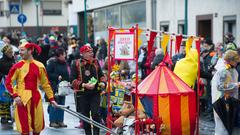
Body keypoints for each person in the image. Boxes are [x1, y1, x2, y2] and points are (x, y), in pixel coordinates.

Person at [5, 42, 58, 135]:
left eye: (22, 50)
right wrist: (15, 96)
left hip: (36, 99)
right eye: (19, 50)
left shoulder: (40, 66)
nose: (20, 52)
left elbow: (46, 84)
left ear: (30, 51)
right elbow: (8, 82)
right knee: (24, 128)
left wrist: (51, 98)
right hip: (22, 100)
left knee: (37, 127)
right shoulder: (17, 66)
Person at [71, 45, 106, 135]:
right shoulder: (76, 63)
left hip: (95, 93)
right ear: (83, 54)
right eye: (89, 52)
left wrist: (103, 83)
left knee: (95, 114)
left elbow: (101, 75)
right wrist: (84, 85)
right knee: (85, 117)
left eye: (92, 52)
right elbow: (72, 80)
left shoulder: (96, 62)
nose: (92, 53)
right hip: (82, 94)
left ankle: (96, 133)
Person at [211, 50, 240, 135]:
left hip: (229, 100)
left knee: (228, 124)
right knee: (222, 126)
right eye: (236, 61)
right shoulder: (223, 70)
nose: (237, 63)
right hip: (221, 101)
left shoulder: (232, 69)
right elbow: (220, 86)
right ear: (230, 60)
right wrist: (236, 85)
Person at [46, 48, 69, 128]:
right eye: (63, 54)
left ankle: (60, 121)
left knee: (62, 103)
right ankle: (52, 121)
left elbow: (66, 73)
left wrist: (68, 81)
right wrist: (56, 77)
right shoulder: (52, 63)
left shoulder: (64, 63)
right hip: (54, 86)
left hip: (63, 86)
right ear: (59, 56)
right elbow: (47, 74)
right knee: (54, 103)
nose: (65, 56)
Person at [0, 45, 15, 124]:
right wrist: (3, 75)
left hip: (12, 82)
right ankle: (4, 116)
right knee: (4, 99)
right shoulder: (1, 61)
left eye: (11, 52)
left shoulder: (13, 60)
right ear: (5, 53)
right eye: (9, 52)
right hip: (3, 83)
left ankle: (11, 116)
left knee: (12, 99)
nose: (11, 53)